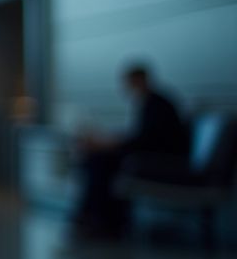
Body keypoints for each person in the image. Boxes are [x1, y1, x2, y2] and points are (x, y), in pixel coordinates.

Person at [74, 64, 189, 236]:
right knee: (99, 160)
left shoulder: (156, 104)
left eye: (129, 82)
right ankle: (98, 218)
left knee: (100, 161)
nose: (127, 87)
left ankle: (98, 219)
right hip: (154, 155)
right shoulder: (151, 102)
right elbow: (143, 137)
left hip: (161, 160)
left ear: (140, 80)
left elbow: (146, 140)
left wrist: (110, 144)